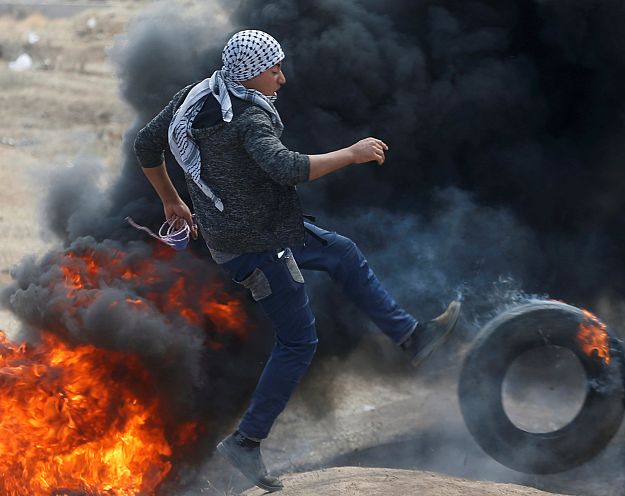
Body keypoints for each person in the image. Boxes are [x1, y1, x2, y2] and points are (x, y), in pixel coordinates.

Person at [133, 30, 460, 492]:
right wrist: (352, 153)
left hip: (261, 227)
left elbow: (147, 146)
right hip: (256, 245)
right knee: (298, 342)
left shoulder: (195, 96)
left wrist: (171, 200)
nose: (282, 78)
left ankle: (411, 337)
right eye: (274, 69)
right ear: (250, 72)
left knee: (342, 253)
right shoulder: (247, 120)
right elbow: (287, 168)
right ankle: (246, 441)